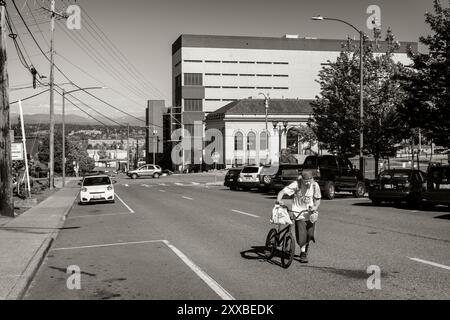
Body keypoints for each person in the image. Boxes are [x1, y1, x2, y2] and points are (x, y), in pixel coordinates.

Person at [276, 171, 321, 263]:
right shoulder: (297, 184)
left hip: (310, 213)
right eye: (306, 181)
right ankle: (303, 253)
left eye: (310, 180)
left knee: (310, 234)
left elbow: (317, 199)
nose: (308, 183)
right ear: (302, 179)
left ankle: (305, 245)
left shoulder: (315, 185)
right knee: (302, 234)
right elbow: (282, 192)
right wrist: (278, 200)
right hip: (298, 212)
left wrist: (315, 207)